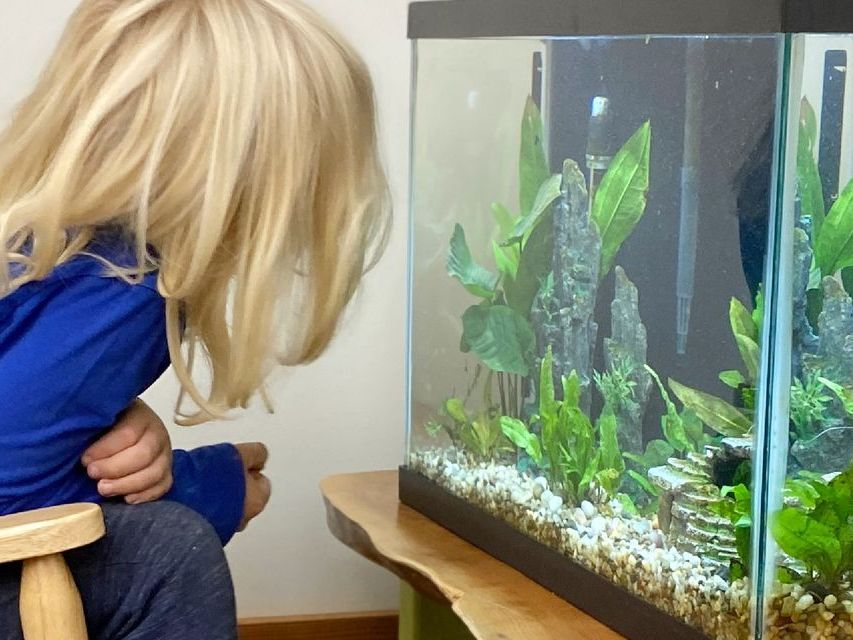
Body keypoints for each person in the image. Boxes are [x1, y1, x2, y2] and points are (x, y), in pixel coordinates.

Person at [0, 0, 389, 637]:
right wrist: (203, 488)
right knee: (172, 553)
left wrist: (123, 428)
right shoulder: (125, 290)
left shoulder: (47, 240)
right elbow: (10, 481)